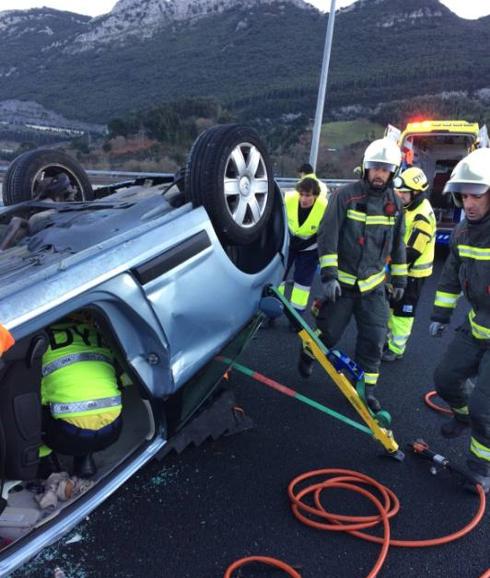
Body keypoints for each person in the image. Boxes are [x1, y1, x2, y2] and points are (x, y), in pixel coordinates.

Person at [299, 138, 407, 412]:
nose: (379, 174)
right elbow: (328, 236)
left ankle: (365, 390)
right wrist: (329, 276)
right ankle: (308, 353)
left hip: (374, 289)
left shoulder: (395, 204)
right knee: (328, 334)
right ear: (366, 169)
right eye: (375, 168)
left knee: (374, 341)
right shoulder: (345, 197)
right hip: (343, 285)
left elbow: (398, 244)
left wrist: (399, 280)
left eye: (385, 169)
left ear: (392, 172)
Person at [429, 148, 490, 492]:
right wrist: (440, 314)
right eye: (464, 195)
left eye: (476, 195)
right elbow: (451, 274)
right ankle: (462, 415)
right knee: (445, 379)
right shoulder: (463, 233)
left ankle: (481, 467)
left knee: (486, 406)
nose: (468, 203)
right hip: (476, 325)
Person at [39, 315, 123, 478]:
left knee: (25, 405)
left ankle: (45, 459)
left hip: (68, 434)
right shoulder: (94, 331)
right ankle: (85, 460)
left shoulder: (40, 340)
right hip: (113, 427)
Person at [382, 167, 436, 361]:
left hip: (413, 274)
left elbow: (412, 251)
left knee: (403, 312)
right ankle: (388, 341)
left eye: (404, 192)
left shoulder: (422, 216)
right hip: (402, 271)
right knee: (392, 306)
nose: (400, 195)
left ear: (416, 192)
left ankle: (396, 349)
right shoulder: (409, 208)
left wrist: (386, 259)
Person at [278, 177, 328, 314]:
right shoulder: (288, 199)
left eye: (308, 195)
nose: (304, 199)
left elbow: (325, 233)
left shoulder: (325, 207)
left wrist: (306, 243)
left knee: (302, 283)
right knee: (279, 276)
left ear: (316, 195)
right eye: (301, 194)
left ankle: (296, 315)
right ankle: (274, 309)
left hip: (310, 248)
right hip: (288, 244)